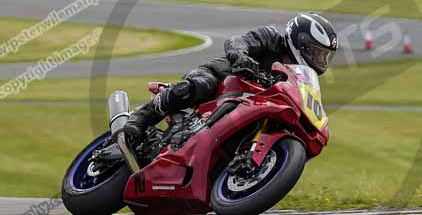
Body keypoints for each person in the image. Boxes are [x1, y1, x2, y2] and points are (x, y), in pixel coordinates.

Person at [124, 12, 338, 141]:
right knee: (200, 85)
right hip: (220, 81)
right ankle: (140, 118)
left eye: (323, 55)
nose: (319, 59)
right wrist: (240, 56)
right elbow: (237, 41)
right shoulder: (271, 38)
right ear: (300, 43)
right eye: (316, 52)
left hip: (250, 106)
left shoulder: (299, 78)